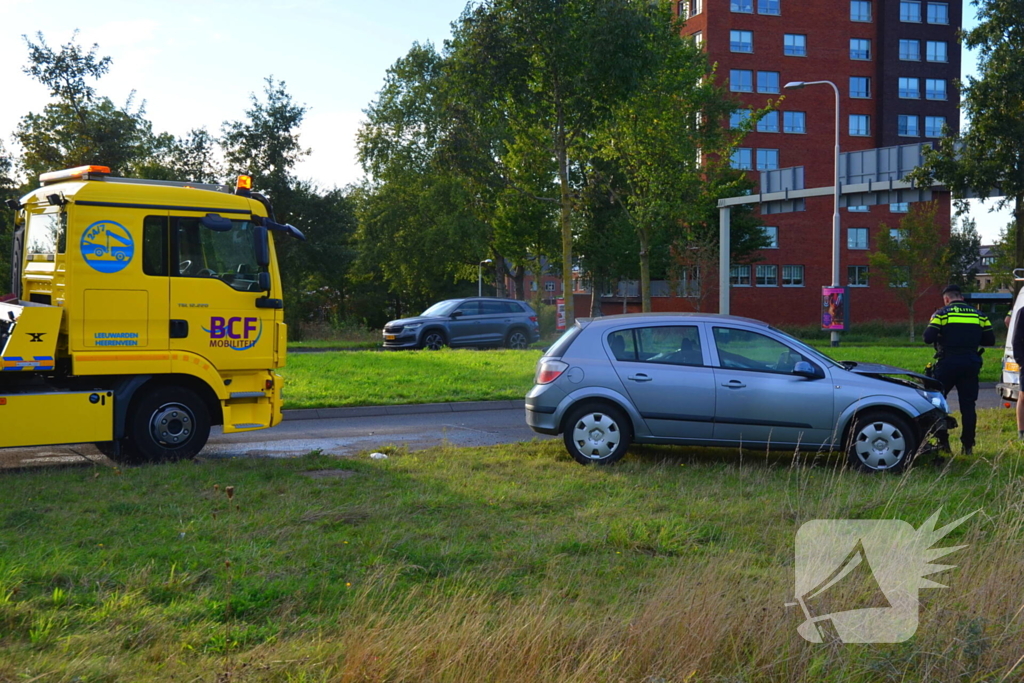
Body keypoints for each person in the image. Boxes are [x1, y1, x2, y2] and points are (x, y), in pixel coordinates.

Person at [923, 284, 995, 455]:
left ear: (946, 299)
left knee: (938, 402)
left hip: (947, 363)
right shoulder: (979, 315)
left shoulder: (942, 313)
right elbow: (990, 340)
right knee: (968, 406)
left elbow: (927, 338)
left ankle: (943, 442)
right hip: (970, 363)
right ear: (962, 298)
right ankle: (967, 446)